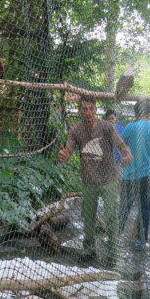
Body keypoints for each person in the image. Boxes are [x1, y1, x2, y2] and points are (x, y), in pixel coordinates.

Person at [59, 96, 132, 261]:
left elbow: (120, 144)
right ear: (80, 111)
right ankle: (89, 250)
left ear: (95, 109)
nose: (88, 113)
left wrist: (127, 153)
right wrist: (63, 155)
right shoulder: (76, 130)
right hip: (88, 180)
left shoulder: (106, 126)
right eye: (84, 109)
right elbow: (68, 150)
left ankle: (112, 253)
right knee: (88, 216)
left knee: (111, 216)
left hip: (108, 178)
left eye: (91, 109)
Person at [119, 100, 150, 251]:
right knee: (145, 208)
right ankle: (141, 240)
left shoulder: (129, 128)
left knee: (125, 205)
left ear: (135, 113)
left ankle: (116, 234)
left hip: (130, 175)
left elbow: (121, 148)